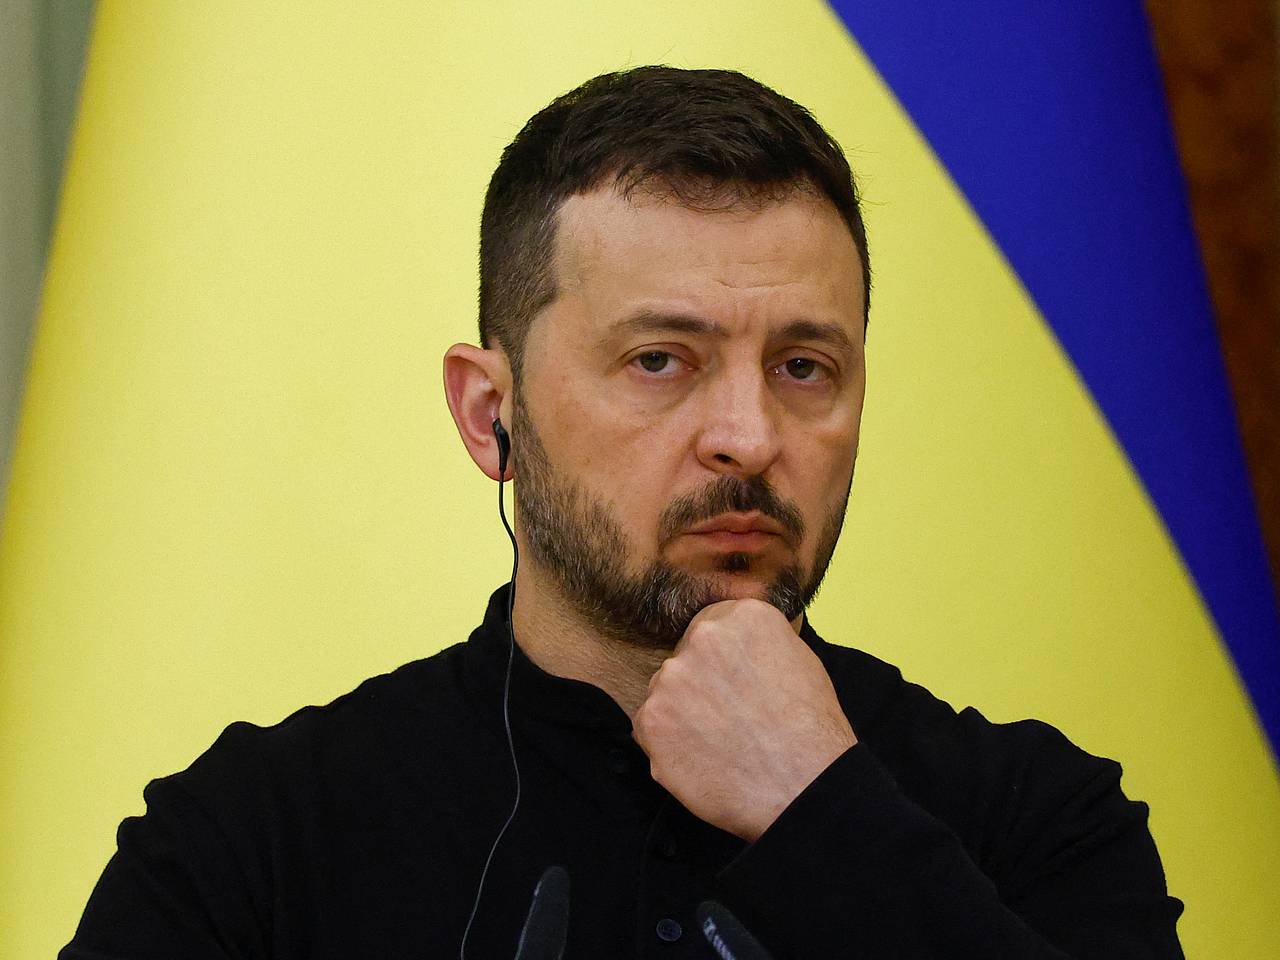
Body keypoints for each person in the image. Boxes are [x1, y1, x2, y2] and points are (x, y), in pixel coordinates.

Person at [62, 66, 1184, 959]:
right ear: (490, 413)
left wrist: (822, 811)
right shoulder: (252, 844)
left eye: (802, 366)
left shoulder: (1040, 824)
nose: (747, 436)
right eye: (660, 360)